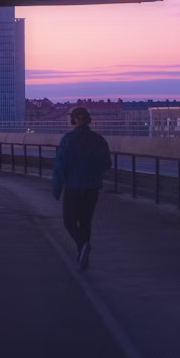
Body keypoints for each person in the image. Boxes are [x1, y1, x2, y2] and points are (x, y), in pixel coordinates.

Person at [51, 106, 111, 269]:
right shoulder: (99, 140)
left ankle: (82, 245)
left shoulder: (68, 140)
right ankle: (83, 255)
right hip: (92, 187)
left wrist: (56, 189)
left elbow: (60, 167)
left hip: (73, 187)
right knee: (85, 221)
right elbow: (107, 164)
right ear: (89, 120)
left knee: (69, 221)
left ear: (73, 120)